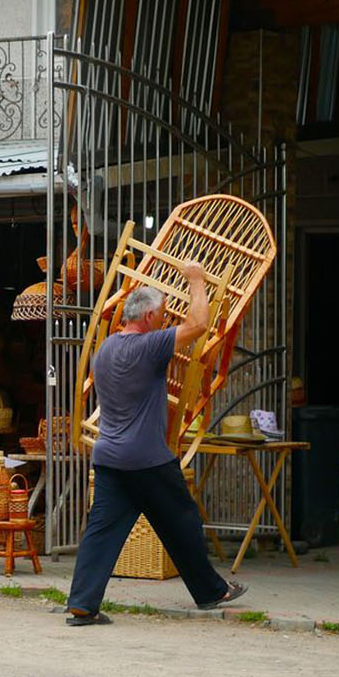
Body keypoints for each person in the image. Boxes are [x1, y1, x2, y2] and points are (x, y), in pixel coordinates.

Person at [65, 262, 247, 626]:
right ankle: (212, 591)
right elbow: (198, 325)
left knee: (101, 531)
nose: (164, 321)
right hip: (146, 458)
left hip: (109, 457)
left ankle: (83, 603)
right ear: (148, 316)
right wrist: (196, 280)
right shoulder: (148, 346)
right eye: (161, 315)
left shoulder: (107, 350)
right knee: (182, 522)